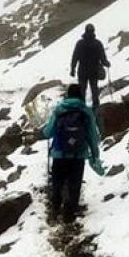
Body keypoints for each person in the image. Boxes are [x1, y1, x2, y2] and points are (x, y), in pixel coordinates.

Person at [41, 84, 104, 222]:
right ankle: (69, 214)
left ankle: (55, 208)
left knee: (57, 182)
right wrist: (94, 155)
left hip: (59, 153)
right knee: (74, 184)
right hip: (78, 154)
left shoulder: (59, 110)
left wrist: (44, 132)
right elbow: (92, 136)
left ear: (68, 95)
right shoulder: (86, 111)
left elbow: (48, 132)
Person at [70, 23, 110, 111]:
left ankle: (82, 109)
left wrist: (72, 69)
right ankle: (96, 108)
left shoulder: (80, 43)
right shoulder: (97, 43)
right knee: (94, 91)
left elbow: (75, 57)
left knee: (82, 91)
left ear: (85, 31)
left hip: (82, 71)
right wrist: (106, 63)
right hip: (93, 71)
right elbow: (103, 58)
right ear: (93, 31)